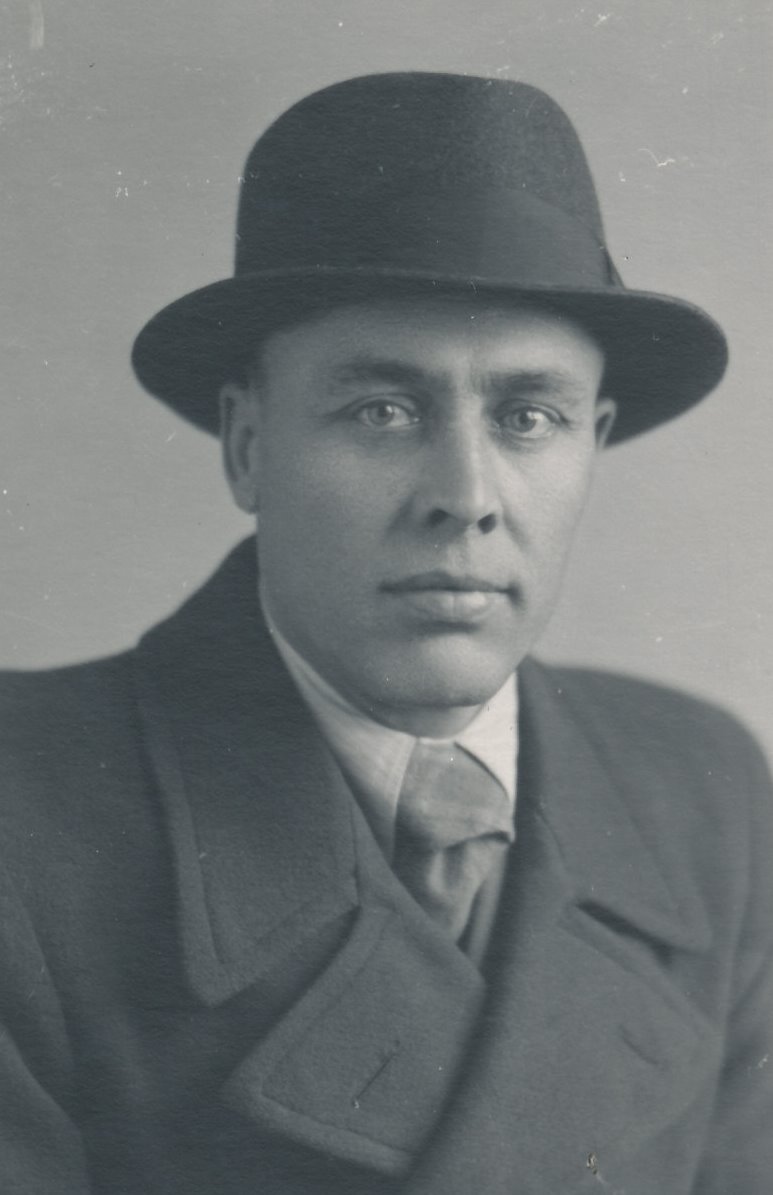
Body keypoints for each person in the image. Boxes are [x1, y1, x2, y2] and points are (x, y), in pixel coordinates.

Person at [1, 72, 771, 1195]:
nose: (466, 496)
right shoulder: (25, 818)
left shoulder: (701, 795)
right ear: (249, 445)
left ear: (592, 442)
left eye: (528, 417)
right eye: (383, 411)